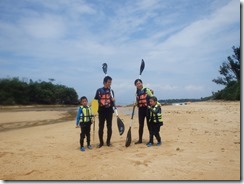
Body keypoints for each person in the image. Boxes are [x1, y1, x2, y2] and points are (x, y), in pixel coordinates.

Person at [94, 76, 115, 148]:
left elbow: (112, 102)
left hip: (109, 110)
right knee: (101, 127)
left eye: (110, 82)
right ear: (104, 82)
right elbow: (95, 101)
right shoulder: (99, 90)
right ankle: (101, 142)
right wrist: (94, 111)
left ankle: (108, 142)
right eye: (109, 82)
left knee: (109, 127)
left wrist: (113, 101)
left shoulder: (111, 91)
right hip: (101, 111)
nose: (110, 84)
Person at [134, 79, 154, 144]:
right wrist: (136, 104)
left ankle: (151, 140)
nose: (138, 85)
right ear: (136, 85)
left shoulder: (147, 90)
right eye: (137, 84)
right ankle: (140, 140)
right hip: (141, 110)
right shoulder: (137, 93)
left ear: (142, 83)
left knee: (149, 125)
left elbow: (153, 98)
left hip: (147, 109)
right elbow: (137, 102)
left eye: (139, 83)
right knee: (141, 125)